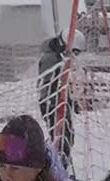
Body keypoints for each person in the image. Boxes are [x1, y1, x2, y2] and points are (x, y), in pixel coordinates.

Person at [37, 30, 83, 166]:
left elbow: (63, 84)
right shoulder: (51, 59)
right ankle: (59, 167)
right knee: (61, 138)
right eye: (74, 52)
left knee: (67, 137)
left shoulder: (60, 58)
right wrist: (55, 102)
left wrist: (71, 102)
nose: (74, 56)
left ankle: (62, 165)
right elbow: (49, 83)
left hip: (60, 102)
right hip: (51, 105)